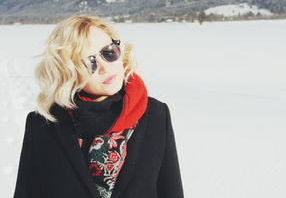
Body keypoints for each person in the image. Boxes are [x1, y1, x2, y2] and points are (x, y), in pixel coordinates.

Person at [14, 16, 184, 198]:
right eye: (88, 62)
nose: (105, 68)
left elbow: (171, 190)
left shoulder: (156, 115)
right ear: (68, 71)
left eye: (109, 52)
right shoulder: (43, 124)